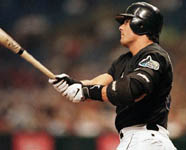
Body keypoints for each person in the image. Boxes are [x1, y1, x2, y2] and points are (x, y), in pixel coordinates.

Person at [49, 2, 177, 150]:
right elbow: (98, 83)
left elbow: (132, 89)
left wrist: (86, 91)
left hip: (145, 139)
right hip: (139, 140)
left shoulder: (154, 55)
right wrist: (73, 84)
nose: (120, 27)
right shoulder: (124, 60)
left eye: (127, 22)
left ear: (140, 24)